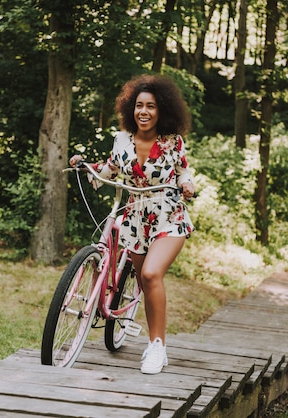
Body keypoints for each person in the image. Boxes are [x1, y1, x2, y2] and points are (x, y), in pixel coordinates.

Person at [69, 74, 195, 374]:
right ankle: (154, 340)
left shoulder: (172, 142)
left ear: (161, 110)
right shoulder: (121, 140)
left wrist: (187, 185)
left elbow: (183, 173)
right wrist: (85, 166)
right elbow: (110, 169)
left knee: (151, 275)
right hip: (135, 219)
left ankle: (157, 347)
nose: (144, 112)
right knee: (144, 283)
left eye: (151, 106)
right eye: (139, 105)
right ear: (130, 108)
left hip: (168, 215)